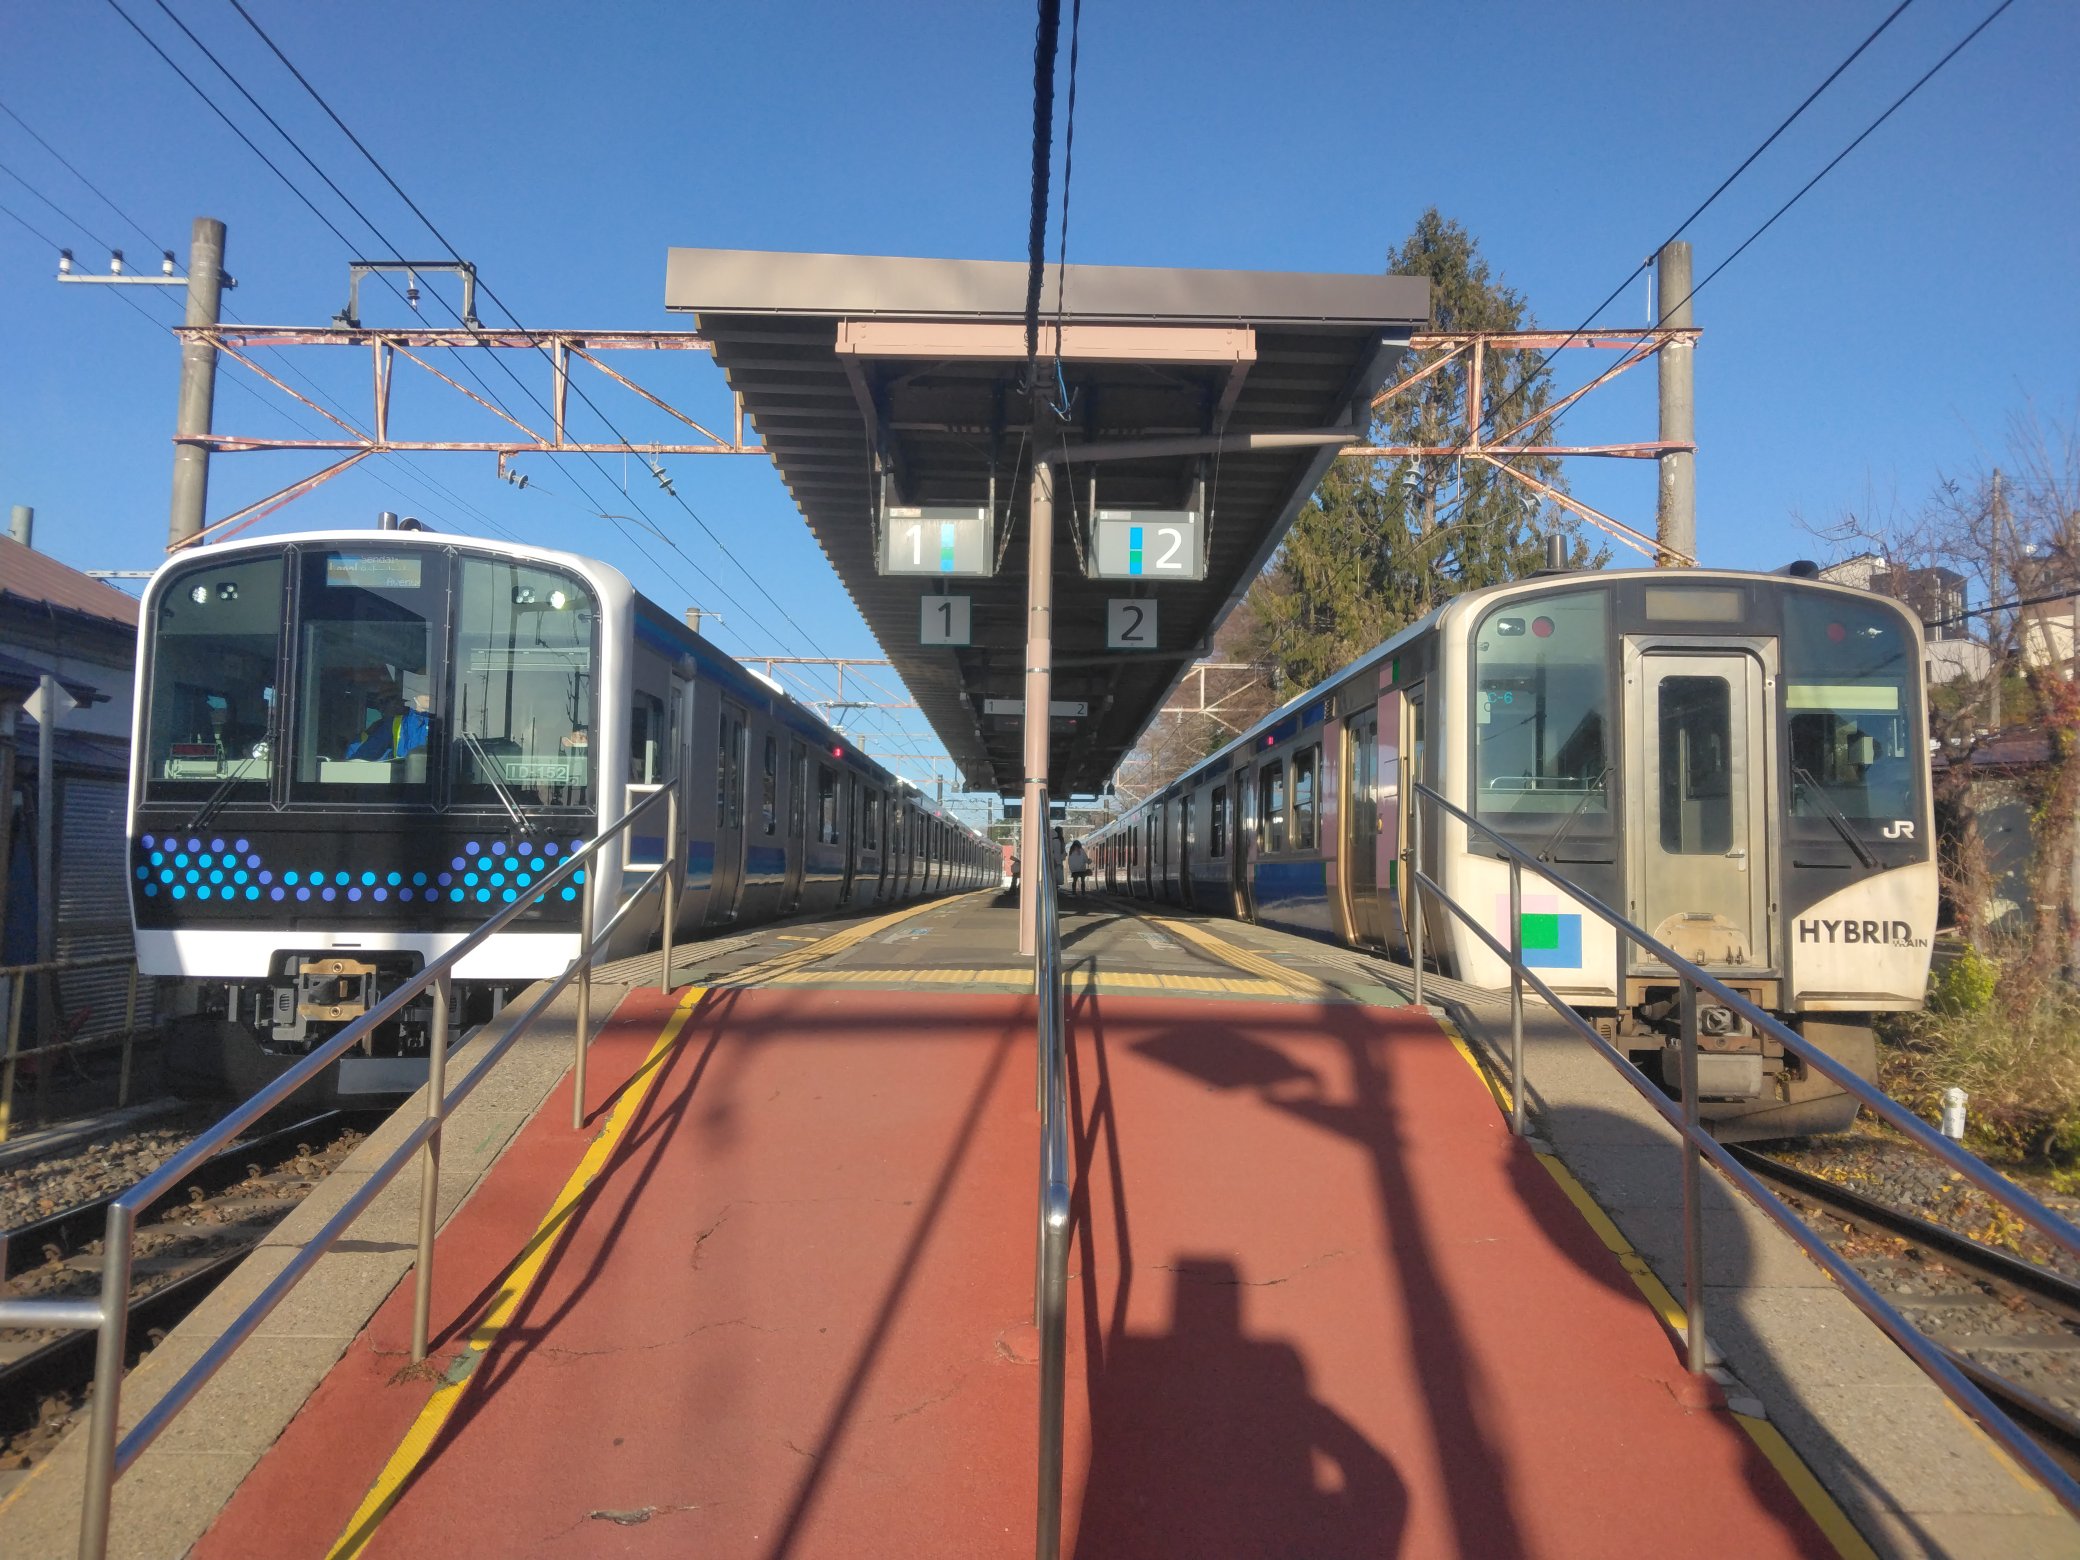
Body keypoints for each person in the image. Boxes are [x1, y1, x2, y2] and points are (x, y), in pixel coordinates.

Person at [346, 686, 430, 760]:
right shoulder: (389, 726)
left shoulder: (433, 719)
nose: (394, 703)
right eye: (384, 701)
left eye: (395, 698)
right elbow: (359, 759)